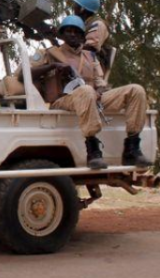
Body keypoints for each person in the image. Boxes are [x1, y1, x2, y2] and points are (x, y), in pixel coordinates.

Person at [23, 15, 151, 169]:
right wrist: (52, 66)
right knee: (86, 91)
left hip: (92, 97)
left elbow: (100, 82)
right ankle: (93, 151)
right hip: (63, 100)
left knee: (136, 90)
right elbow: (22, 74)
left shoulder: (90, 56)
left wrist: (100, 91)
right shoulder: (49, 53)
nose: (72, 34)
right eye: (68, 31)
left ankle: (132, 149)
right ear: (62, 34)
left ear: (82, 36)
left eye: (76, 31)